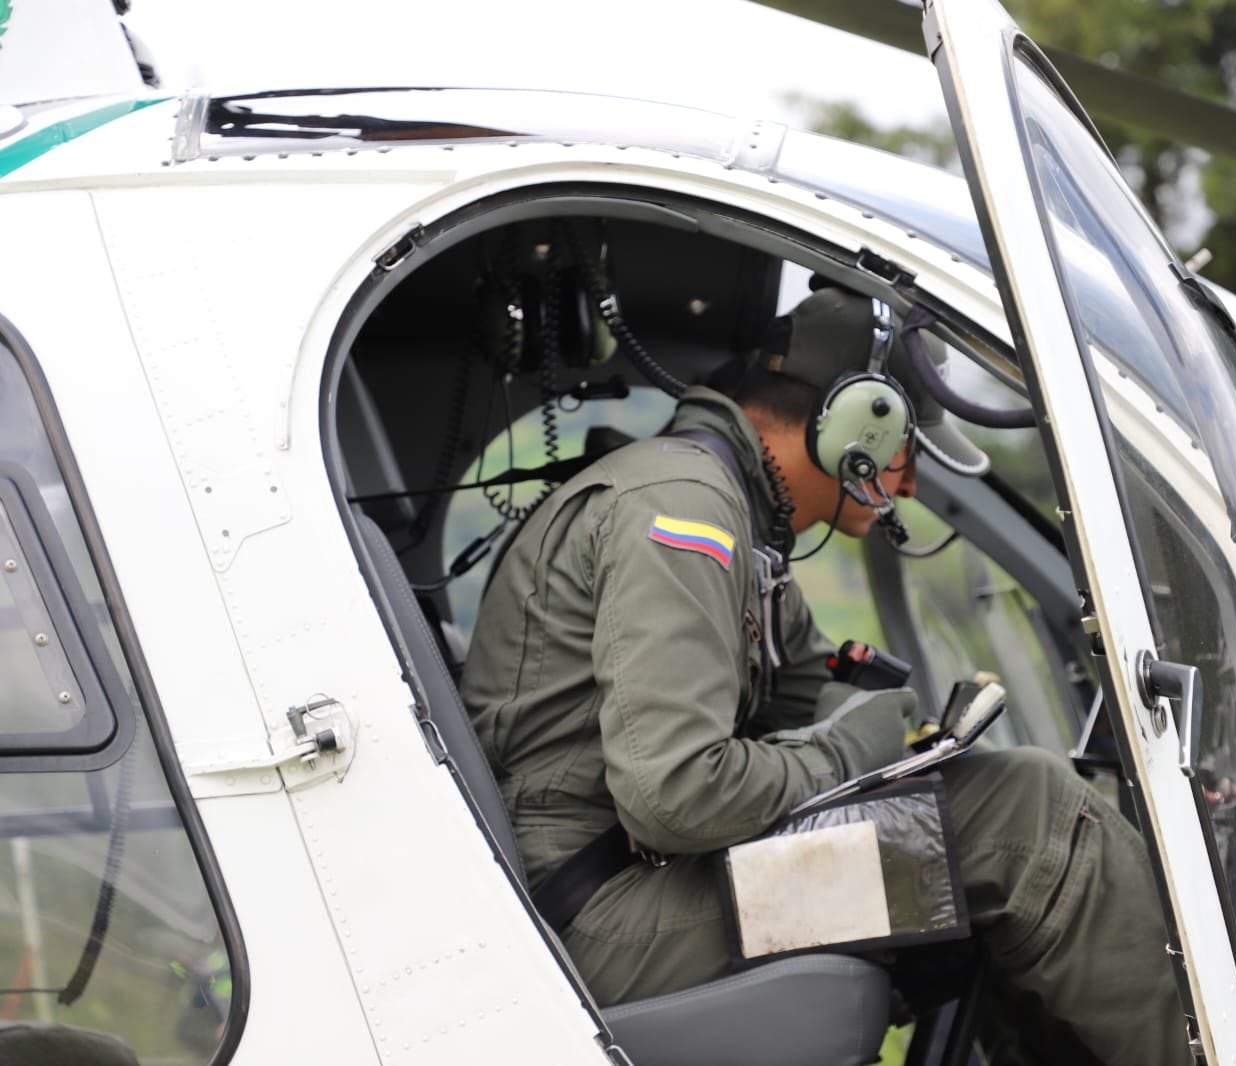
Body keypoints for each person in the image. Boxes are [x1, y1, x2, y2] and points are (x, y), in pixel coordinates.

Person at [461, 286, 1191, 1065]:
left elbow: (810, 683)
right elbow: (672, 794)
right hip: (604, 918)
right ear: (856, 423)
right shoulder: (684, 510)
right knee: (1026, 818)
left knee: (975, 825)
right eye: (907, 449)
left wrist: (895, 735)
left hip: (622, 891)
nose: (906, 484)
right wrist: (848, 754)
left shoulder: (740, 526)